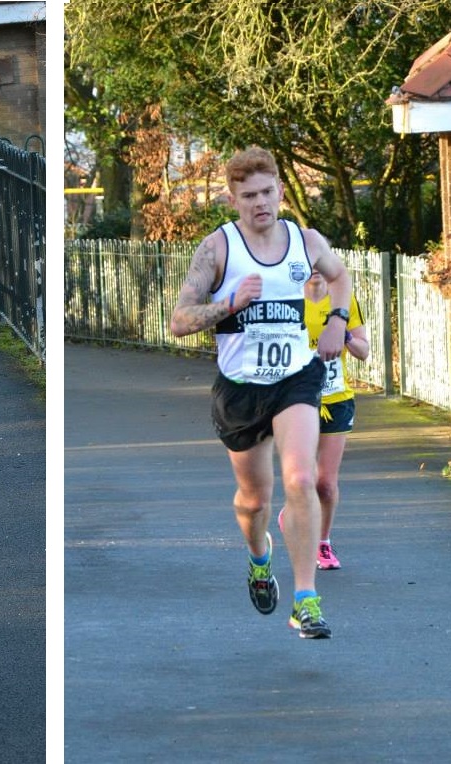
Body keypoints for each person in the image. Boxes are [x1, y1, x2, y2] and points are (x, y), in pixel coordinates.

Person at [168, 147, 351, 639]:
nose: (260, 203)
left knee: (300, 476)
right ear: (233, 200)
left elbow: (341, 277)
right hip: (241, 390)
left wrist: (337, 321)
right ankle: (258, 557)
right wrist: (229, 302)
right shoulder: (217, 249)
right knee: (254, 501)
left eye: (268, 192)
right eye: (248, 196)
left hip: (296, 379)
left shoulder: (306, 240)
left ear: (281, 193)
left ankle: (306, 599)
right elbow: (179, 321)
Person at [294, 268, 369, 569]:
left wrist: (345, 334)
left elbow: (364, 351)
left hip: (336, 399)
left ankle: (322, 543)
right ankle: (295, 510)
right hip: (297, 400)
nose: (314, 266)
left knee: (325, 483)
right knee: (302, 478)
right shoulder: (289, 301)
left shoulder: (344, 301)